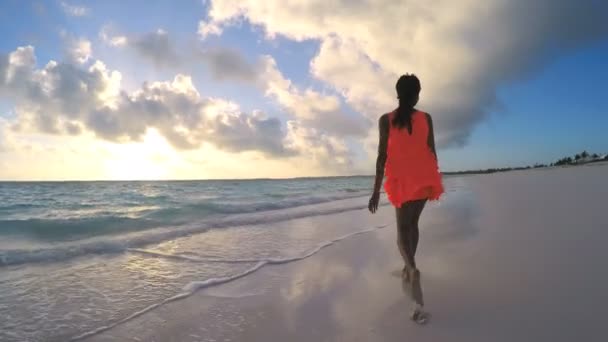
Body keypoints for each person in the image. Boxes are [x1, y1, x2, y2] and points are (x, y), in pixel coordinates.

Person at [368, 74, 444, 324]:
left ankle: (411, 269)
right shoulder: (427, 118)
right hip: (424, 177)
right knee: (413, 225)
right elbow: (432, 151)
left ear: (397, 93)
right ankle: (408, 267)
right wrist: (432, 177)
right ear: (418, 94)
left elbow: (381, 157)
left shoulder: (385, 120)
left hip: (401, 179)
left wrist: (376, 190)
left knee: (402, 229)